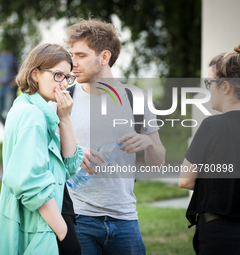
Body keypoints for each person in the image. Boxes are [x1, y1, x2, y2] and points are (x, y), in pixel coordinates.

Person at [51, 19, 165, 255]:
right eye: (72, 55)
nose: (73, 64)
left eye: (81, 56)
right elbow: (45, 157)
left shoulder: (136, 99)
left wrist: (148, 144)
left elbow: (158, 163)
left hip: (125, 219)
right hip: (78, 218)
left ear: (104, 57)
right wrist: (73, 152)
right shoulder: (63, 100)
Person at [0, 43, 84, 255]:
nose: (64, 84)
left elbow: (69, 166)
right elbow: (29, 183)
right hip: (42, 224)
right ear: (35, 74)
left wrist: (64, 118)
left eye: (68, 78)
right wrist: (64, 233)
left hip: (52, 216)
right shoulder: (32, 116)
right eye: (58, 75)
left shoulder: (32, 109)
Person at [179, 44, 240, 254]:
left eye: (209, 82)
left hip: (220, 233)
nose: (208, 88)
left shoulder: (213, 126)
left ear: (225, 86)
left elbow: (185, 180)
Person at [0, 48, 19, 125]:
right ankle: (8, 128)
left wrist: (14, 82)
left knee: (9, 111)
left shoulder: (13, 55)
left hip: (10, 86)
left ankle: (11, 131)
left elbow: (20, 69)